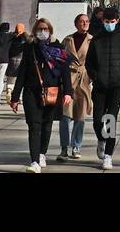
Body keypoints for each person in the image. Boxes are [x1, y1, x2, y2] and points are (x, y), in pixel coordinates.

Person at [10, 18, 73, 171]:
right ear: (35, 31)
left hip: (52, 92)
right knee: (34, 125)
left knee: (46, 125)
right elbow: (22, 72)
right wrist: (15, 97)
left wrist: (68, 92)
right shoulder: (29, 48)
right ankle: (34, 161)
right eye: (40, 29)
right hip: (31, 92)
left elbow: (65, 72)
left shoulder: (58, 49)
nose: (42, 32)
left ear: (50, 31)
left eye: (45, 29)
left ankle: (42, 153)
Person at [86, 8, 120, 170]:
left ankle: (108, 155)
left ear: (117, 21)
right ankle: (101, 139)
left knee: (111, 119)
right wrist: (94, 76)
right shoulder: (97, 39)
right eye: (107, 22)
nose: (109, 25)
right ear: (103, 21)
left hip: (116, 85)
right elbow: (89, 62)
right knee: (97, 119)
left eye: (112, 22)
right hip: (99, 85)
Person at [60, 14, 92, 159]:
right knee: (65, 116)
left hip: (84, 81)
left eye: (86, 21)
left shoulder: (92, 41)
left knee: (80, 117)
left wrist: (91, 76)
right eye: (81, 21)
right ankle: (64, 148)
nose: (84, 24)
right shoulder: (67, 40)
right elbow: (59, 59)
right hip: (68, 81)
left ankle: (76, 146)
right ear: (76, 24)